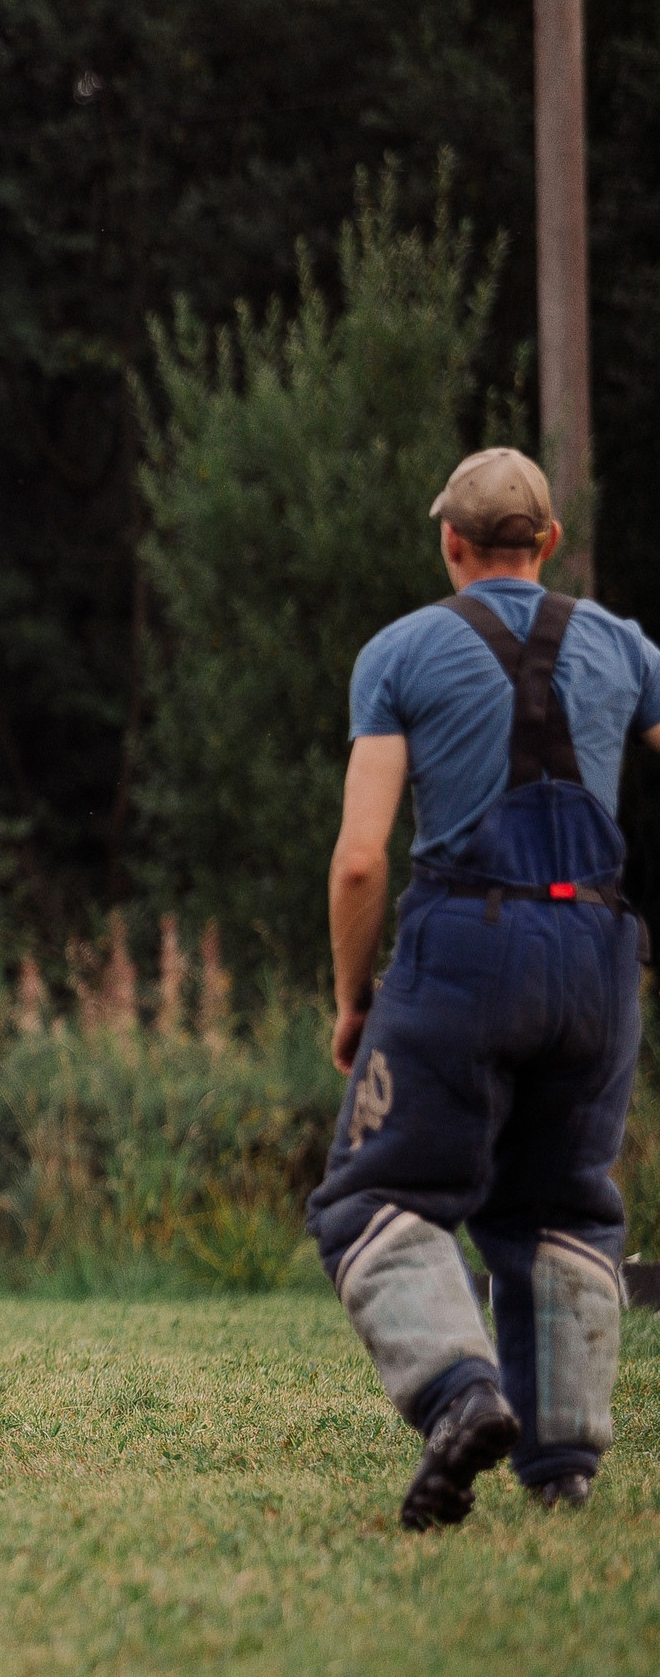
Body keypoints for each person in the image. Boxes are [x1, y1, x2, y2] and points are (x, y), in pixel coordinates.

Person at [310, 447, 652, 1528]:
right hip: (599, 952)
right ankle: (562, 1470)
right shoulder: (624, 647)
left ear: (449, 543)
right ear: (546, 543)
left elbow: (362, 858)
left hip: (467, 942)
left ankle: (460, 1397)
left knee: (373, 1196)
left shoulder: (400, 652)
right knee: (560, 1208)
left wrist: (351, 996)